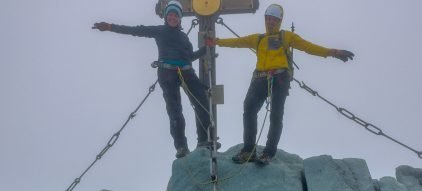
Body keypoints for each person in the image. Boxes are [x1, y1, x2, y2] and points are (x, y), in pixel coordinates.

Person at [212, 4, 354, 164]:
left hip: (280, 77)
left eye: (274, 19)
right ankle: (248, 151)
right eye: (268, 19)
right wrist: (216, 42)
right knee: (249, 108)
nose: (270, 22)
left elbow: (308, 47)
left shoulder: (286, 36)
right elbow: (237, 42)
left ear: (279, 21)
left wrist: (332, 52)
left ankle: (268, 153)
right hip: (260, 77)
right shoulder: (258, 38)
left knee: (275, 115)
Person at [93, 0, 214, 159]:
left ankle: (204, 141)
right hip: (167, 74)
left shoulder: (184, 37)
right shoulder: (160, 31)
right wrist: (110, 27)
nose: (172, 17)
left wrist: (205, 50)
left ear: (179, 18)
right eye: (169, 15)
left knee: (202, 103)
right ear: (165, 17)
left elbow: (189, 57)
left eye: (175, 15)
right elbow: (135, 30)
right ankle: (181, 147)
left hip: (187, 71)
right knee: (175, 111)